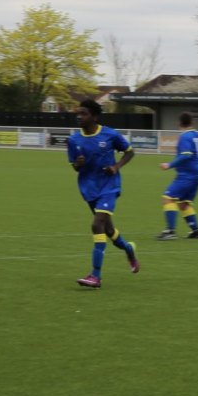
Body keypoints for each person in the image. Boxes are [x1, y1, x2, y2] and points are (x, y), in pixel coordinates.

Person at [67, 98, 139, 289]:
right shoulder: (73, 140)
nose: (79, 117)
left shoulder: (110, 134)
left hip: (109, 186)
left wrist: (116, 167)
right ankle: (128, 249)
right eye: (78, 113)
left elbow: (130, 152)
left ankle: (95, 276)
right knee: (108, 231)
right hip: (89, 188)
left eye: (84, 113)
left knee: (96, 224)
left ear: (95, 117)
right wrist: (78, 165)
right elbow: (74, 166)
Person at [156, 112, 198, 240]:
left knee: (168, 198)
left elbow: (186, 155)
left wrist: (169, 165)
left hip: (187, 175)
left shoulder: (185, 136)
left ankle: (170, 231)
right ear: (192, 122)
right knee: (184, 203)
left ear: (179, 123)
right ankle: (196, 231)